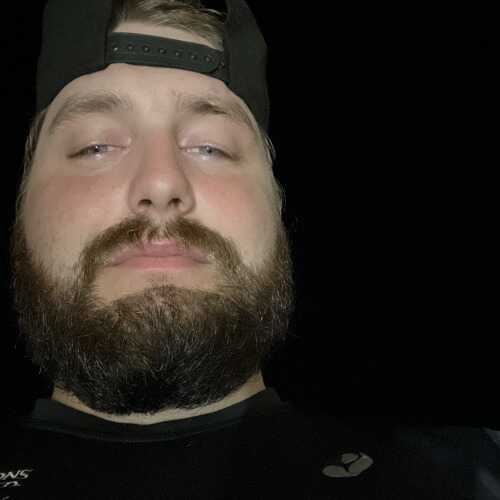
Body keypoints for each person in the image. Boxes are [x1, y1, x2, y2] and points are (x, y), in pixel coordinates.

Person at [0, 1, 496, 498]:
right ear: (23, 203)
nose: (161, 182)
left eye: (210, 147)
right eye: (95, 147)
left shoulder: (474, 476)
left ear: (276, 206)